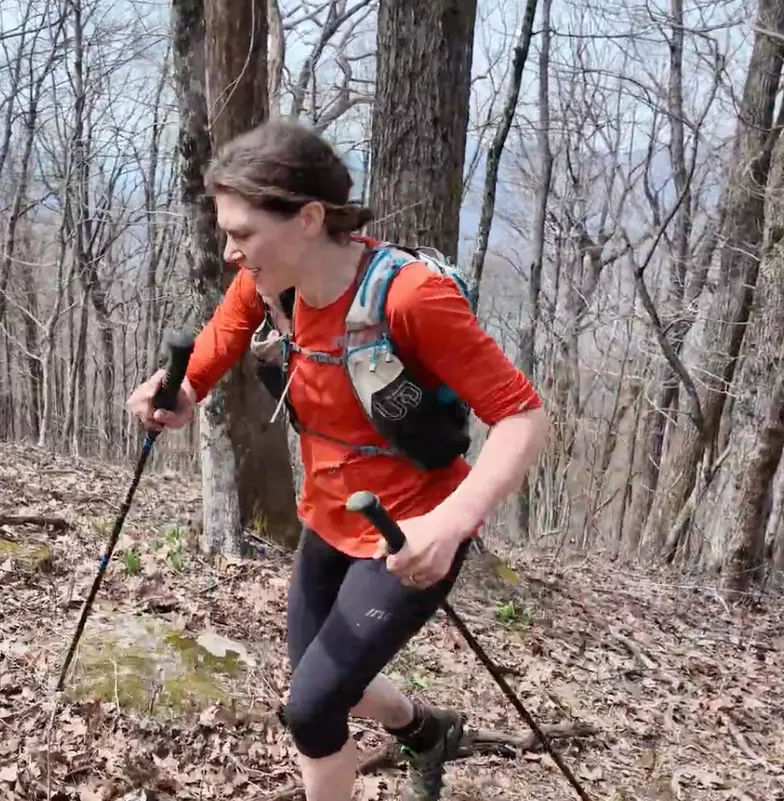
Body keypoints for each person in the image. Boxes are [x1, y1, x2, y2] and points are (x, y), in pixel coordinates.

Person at [124, 119, 549, 801]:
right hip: (324, 521)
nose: (232, 253)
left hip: (407, 534)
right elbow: (223, 337)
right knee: (322, 683)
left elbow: (523, 415)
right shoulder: (272, 283)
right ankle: (425, 729)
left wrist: (451, 525)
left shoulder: (410, 298)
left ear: (310, 218)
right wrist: (182, 387)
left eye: (243, 233)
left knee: (312, 708)